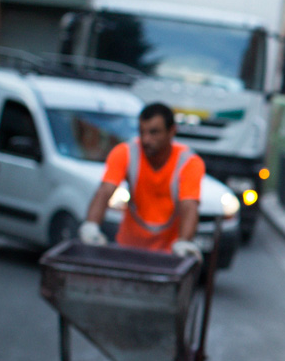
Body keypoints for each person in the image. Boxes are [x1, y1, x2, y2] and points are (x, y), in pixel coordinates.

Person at [80, 102, 205, 260]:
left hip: (167, 255)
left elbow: (189, 205)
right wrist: (91, 226)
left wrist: (185, 242)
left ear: (172, 131)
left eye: (154, 133)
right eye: (142, 132)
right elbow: (105, 190)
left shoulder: (188, 162)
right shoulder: (125, 153)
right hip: (128, 248)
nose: (146, 140)